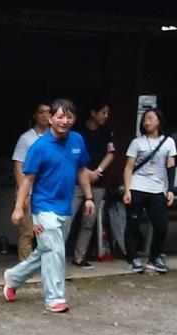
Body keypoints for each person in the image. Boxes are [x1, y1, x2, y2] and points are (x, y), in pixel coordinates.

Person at [4, 98, 92, 314]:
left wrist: (89, 197)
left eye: (69, 116)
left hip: (65, 206)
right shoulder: (39, 147)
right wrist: (18, 208)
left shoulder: (77, 140)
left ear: (74, 119)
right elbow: (28, 179)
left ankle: (14, 277)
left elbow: (82, 170)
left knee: (47, 249)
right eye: (60, 116)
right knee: (55, 250)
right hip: (43, 208)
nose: (64, 121)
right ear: (50, 118)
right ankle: (55, 298)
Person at [122, 107, 177, 274]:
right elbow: (128, 167)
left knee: (161, 226)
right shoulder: (136, 142)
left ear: (159, 121)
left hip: (157, 188)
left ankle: (154, 257)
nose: (147, 122)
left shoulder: (169, 142)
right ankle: (133, 258)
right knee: (133, 224)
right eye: (145, 119)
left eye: (151, 118)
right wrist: (127, 190)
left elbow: (171, 166)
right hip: (137, 186)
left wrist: (171, 189)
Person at [66, 100, 114, 267]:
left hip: (98, 182)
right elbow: (75, 158)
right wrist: (86, 173)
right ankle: (55, 257)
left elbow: (111, 153)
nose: (106, 116)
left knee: (89, 221)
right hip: (76, 182)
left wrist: (98, 171)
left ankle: (79, 257)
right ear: (93, 113)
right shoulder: (78, 133)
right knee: (66, 219)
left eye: (107, 113)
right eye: (103, 112)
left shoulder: (106, 131)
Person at [11, 102, 51, 260]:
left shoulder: (56, 138)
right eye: (41, 112)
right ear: (35, 115)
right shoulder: (26, 138)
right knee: (27, 232)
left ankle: (45, 266)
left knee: (47, 231)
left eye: (48, 112)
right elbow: (17, 166)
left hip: (47, 192)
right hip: (29, 191)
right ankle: (24, 266)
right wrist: (25, 194)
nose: (45, 115)